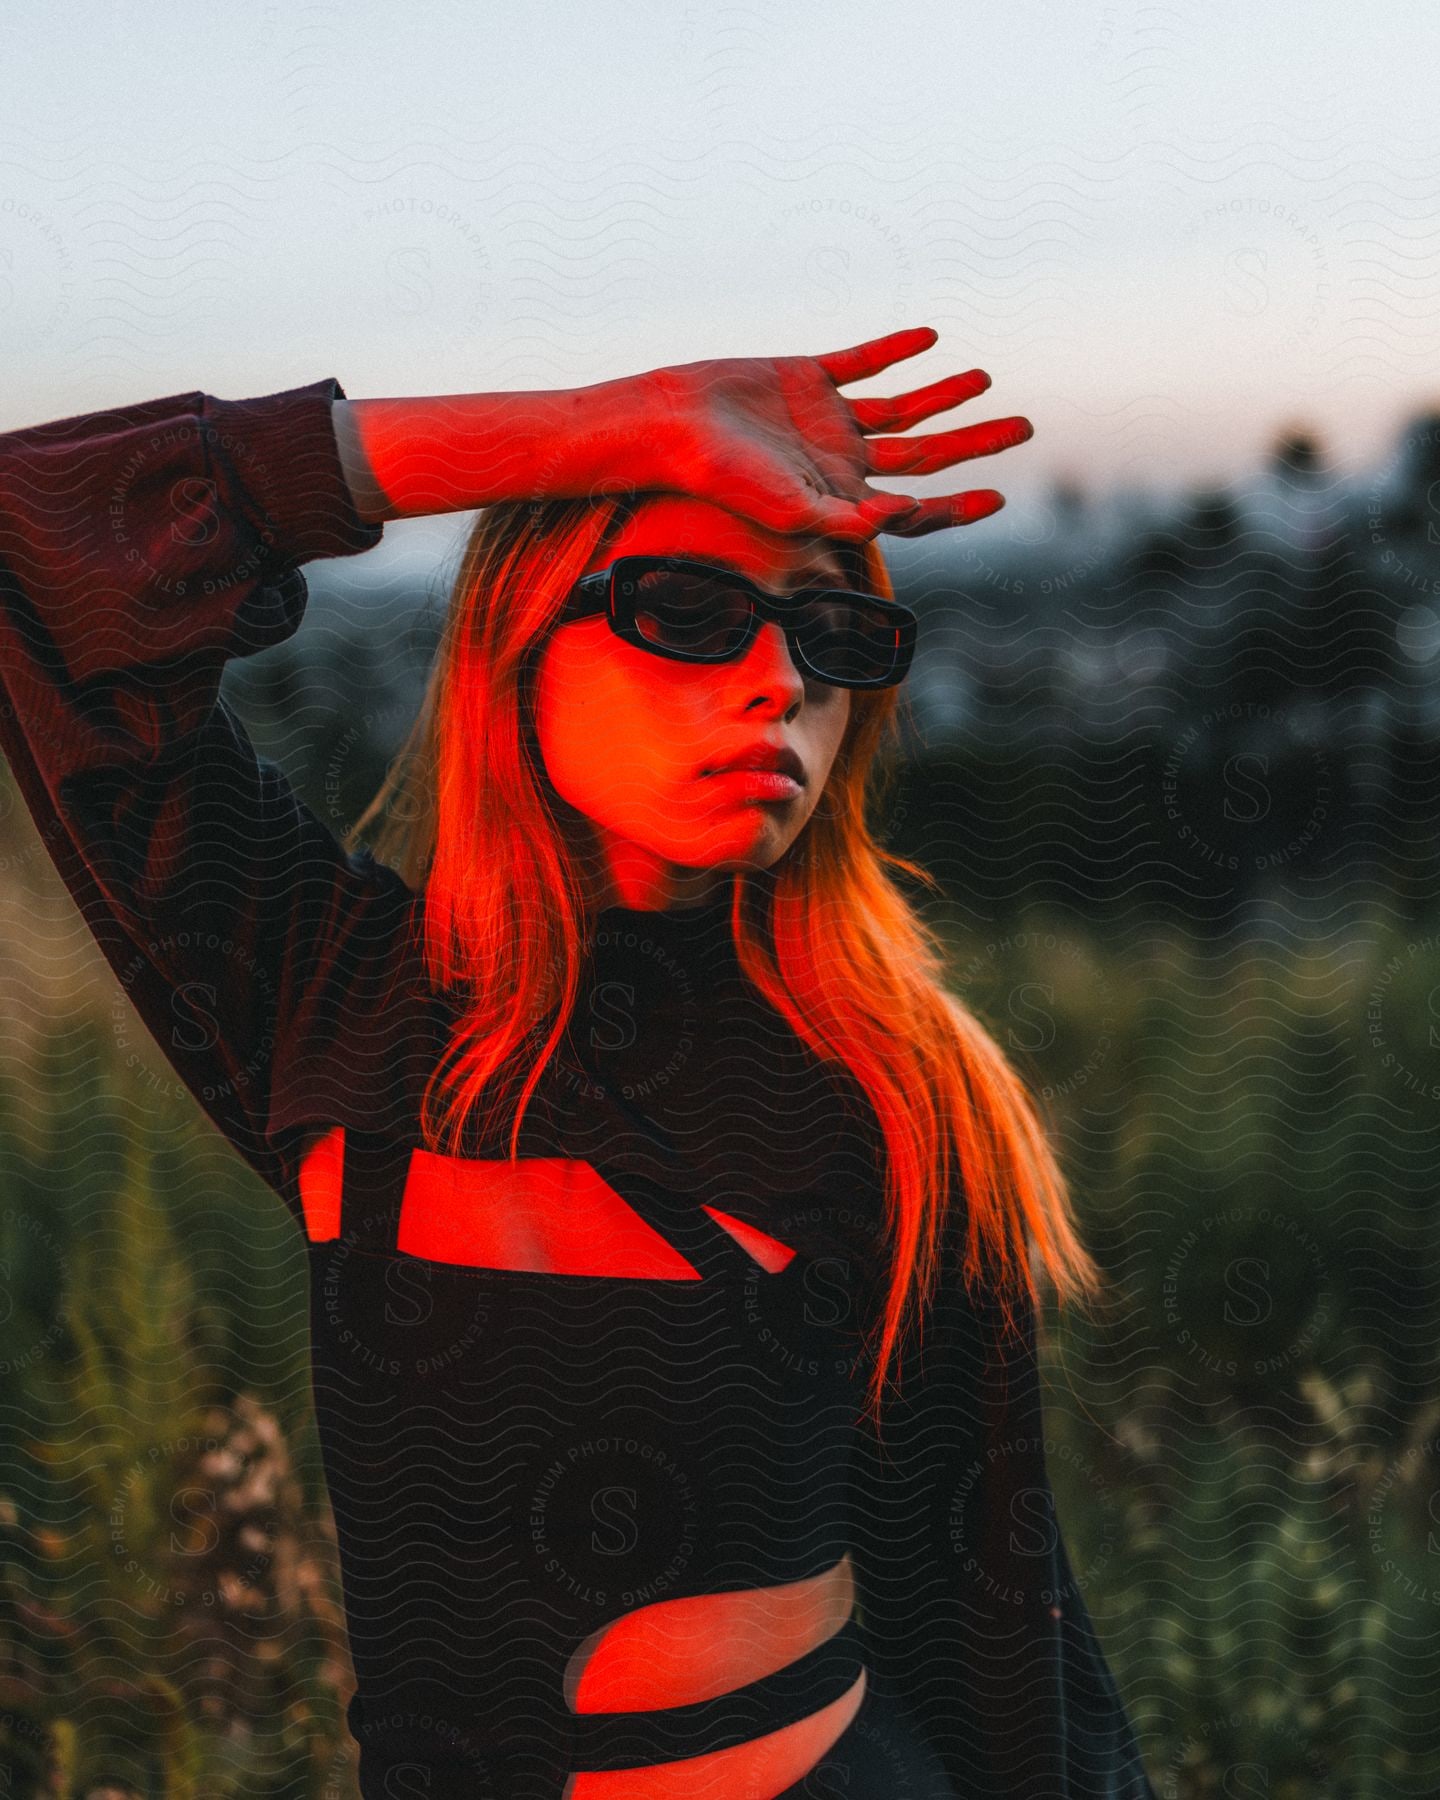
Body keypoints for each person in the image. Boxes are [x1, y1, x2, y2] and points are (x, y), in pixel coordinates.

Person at [0, 328, 1156, 1799]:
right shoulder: (327, 991)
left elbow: (994, 1605)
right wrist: (596, 430)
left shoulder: (882, 1080)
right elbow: (46, 538)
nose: (776, 685)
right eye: (687, 610)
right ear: (514, 643)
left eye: (832, 639)